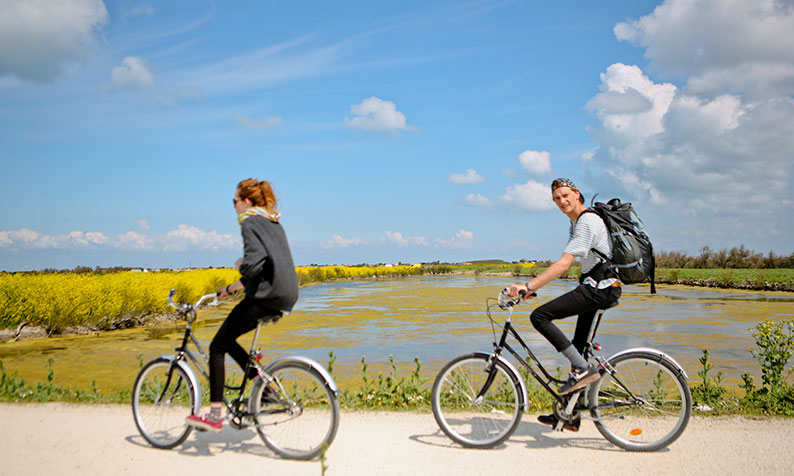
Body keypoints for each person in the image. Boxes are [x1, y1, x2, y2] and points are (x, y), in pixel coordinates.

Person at [186, 178, 299, 433]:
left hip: (266, 296)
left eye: (234, 200)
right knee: (229, 340)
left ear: (246, 202)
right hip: (285, 295)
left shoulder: (249, 221)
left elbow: (254, 263)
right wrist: (229, 290)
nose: (233, 205)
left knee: (216, 346)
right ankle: (265, 388)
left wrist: (240, 265)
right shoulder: (273, 221)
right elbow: (264, 268)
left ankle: (214, 415)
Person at [508, 177, 621, 431]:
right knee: (577, 350)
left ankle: (584, 370)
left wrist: (529, 286)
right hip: (599, 288)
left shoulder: (587, 221)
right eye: (556, 199)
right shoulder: (577, 222)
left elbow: (564, 264)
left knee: (539, 317)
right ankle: (570, 416)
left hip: (598, 290)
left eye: (565, 195)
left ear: (577, 193)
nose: (562, 201)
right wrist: (533, 289)